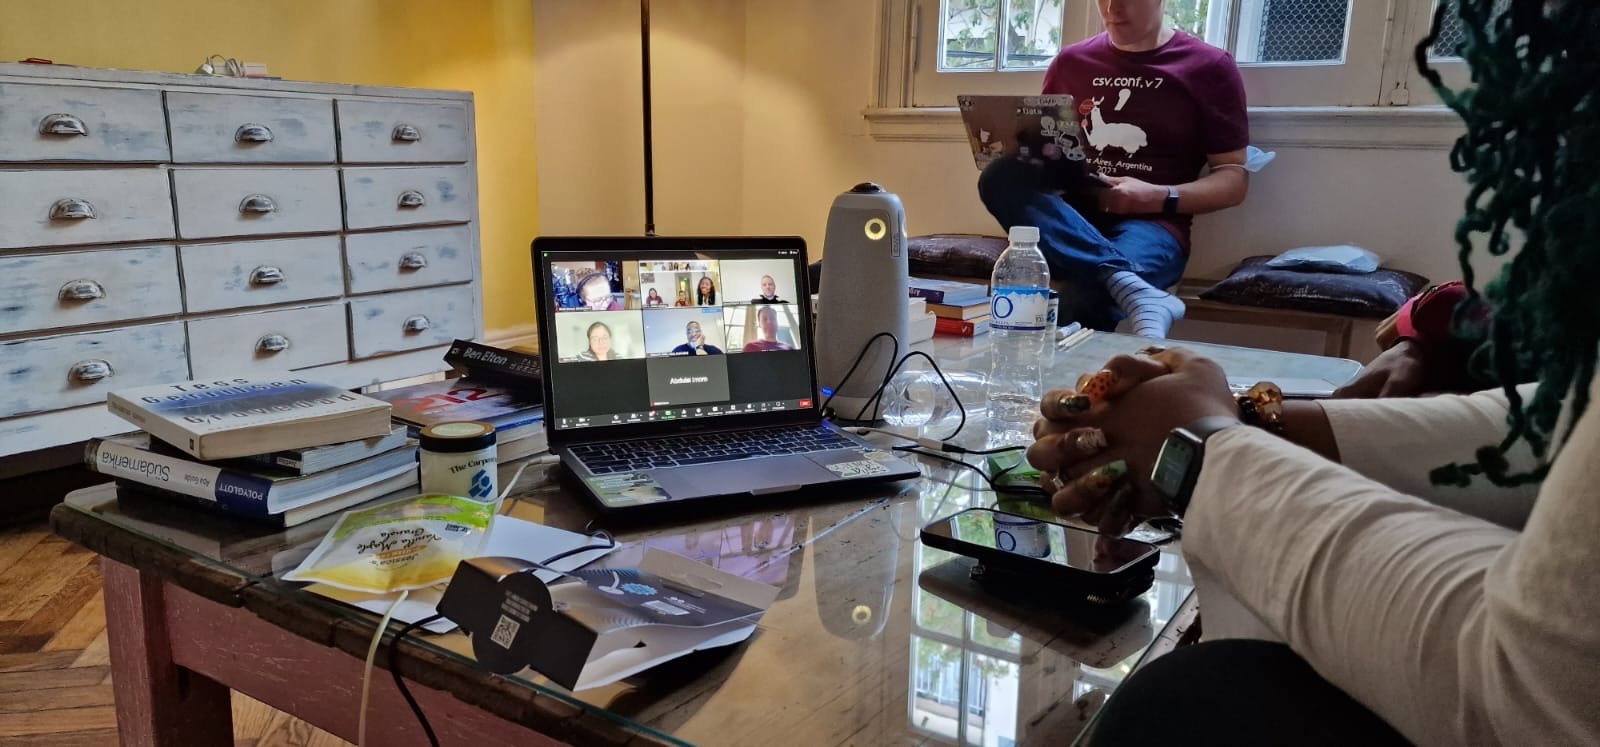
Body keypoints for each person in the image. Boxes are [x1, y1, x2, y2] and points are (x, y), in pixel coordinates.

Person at [1030, 2, 1600, 743]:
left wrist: (1205, 449)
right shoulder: (1071, 62)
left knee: (1174, 703)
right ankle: (1117, 287)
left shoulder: (1204, 65)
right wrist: (1257, 418)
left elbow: (1535, 695)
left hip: (1144, 225)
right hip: (1077, 218)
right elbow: (1557, 432)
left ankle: (1122, 286)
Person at [979, 0, 1250, 338]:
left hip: (1152, 226)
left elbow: (1233, 179)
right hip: (1069, 219)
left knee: (1087, 294)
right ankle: (1128, 285)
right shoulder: (1071, 62)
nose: (1111, 7)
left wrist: (1156, 197)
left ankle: (1062, 383)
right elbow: (1048, 149)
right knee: (998, 175)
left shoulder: (1209, 67)